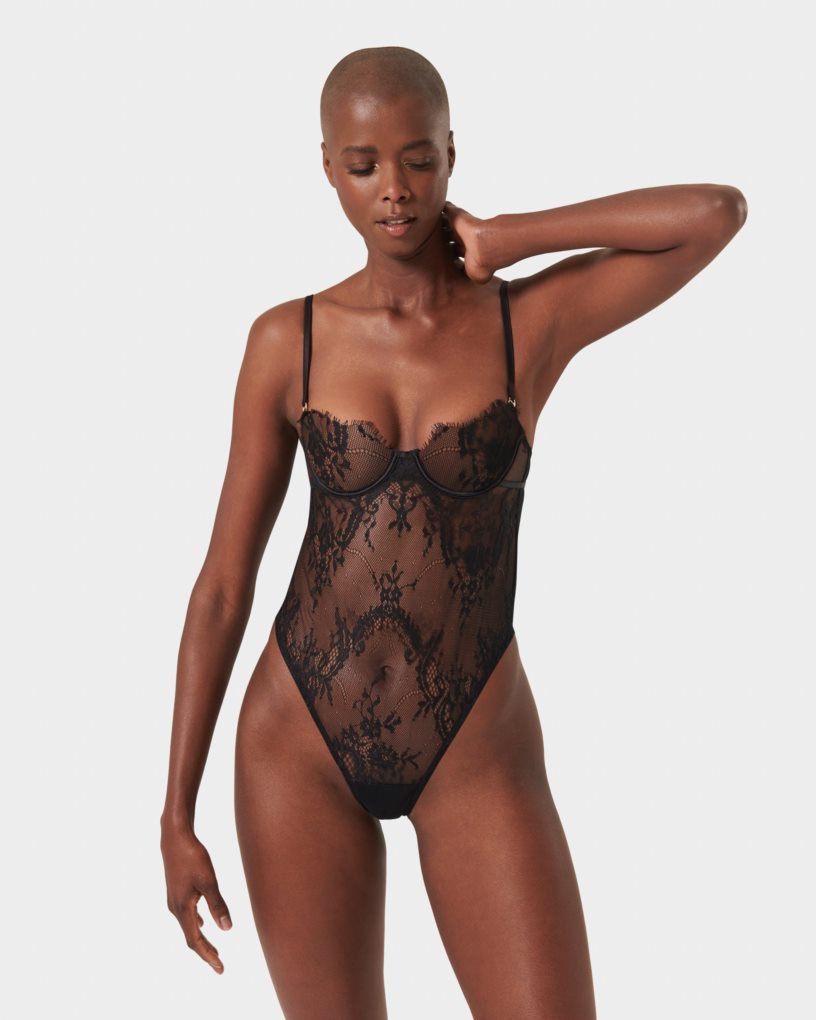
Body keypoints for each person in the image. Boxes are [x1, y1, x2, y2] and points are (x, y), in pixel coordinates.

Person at [160, 45, 747, 1020]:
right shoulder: (286, 341)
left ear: (451, 155)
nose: (394, 188)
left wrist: (515, 236)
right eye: (363, 165)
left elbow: (713, 215)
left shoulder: (527, 324)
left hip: (474, 743)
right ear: (327, 167)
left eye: (419, 158)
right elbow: (224, 586)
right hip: (296, 742)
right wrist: (176, 814)